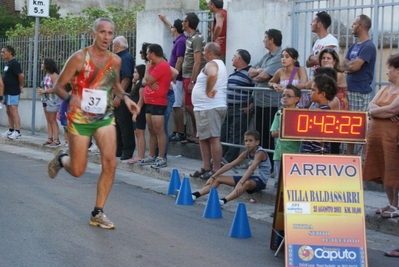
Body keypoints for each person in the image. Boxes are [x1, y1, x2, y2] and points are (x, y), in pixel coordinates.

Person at [47, 18, 140, 229]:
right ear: (94, 34)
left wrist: (126, 98)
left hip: (104, 117)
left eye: (110, 33)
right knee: (79, 170)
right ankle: (62, 158)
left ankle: (98, 212)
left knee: (110, 162)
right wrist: (72, 99)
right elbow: (58, 87)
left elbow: (115, 85)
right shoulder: (79, 58)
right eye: (102, 32)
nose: (106, 37)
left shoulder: (115, 60)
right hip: (80, 119)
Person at [190, 130, 271, 206]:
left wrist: (240, 183)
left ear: (257, 142)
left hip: (260, 180)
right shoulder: (246, 153)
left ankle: (222, 201)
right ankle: (195, 195)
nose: (248, 143)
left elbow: (252, 169)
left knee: (246, 183)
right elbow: (229, 165)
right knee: (218, 178)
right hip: (249, 177)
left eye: (250, 140)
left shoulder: (260, 153)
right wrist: (213, 176)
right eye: (246, 141)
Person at [363, 53, 399, 219]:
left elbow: (393, 110)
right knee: (383, 169)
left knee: (393, 169)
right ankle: (390, 203)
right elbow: (371, 104)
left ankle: (396, 206)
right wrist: (378, 111)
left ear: (397, 71)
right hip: (378, 137)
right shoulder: (385, 89)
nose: (387, 72)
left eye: (390, 68)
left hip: (392, 138)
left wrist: (374, 112)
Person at [190, 42, 227, 179]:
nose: (203, 53)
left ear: (210, 53)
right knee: (204, 138)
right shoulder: (220, 63)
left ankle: (216, 168)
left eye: (204, 51)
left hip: (209, 107)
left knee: (213, 137)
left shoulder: (212, 64)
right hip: (205, 107)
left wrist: (207, 90)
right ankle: (206, 167)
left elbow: (212, 75)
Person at [341, 14, 376, 155]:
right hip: (350, 91)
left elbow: (354, 67)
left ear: (361, 27)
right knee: (349, 128)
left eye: (354, 24)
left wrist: (348, 66)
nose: (352, 26)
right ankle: (348, 157)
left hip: (360, 92)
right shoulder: (354, 46)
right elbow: (343, 63)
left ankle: (362, 161)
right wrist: (349, 65)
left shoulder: (369, 46)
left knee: (360, 129)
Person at [247, 29, 283, 163]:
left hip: (271, 103)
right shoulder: (267, 56)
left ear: (271, 40)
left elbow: (263, 77)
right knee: (261, 134)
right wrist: (259, 71)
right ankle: (263, 162)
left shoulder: (279, 56)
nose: (263, 40)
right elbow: (250, 72)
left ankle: (272, 164)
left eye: (265, 37)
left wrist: (259, 72)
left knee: (269, 136)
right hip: (260, 102)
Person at [139, 43, 172, 169]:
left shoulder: (162, 65)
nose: (146, 56)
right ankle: (151, 155)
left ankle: (161, 157)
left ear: (153, 54)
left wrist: (148, 75)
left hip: (158, 101)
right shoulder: (154, 65)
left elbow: (146, 80)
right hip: (149, 101)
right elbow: (144, 81)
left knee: (159, 130)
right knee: (151, 130)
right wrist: (149, 82)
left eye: (147, 53)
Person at [221, 49, 254, 163]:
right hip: (229, 108)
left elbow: (255, 91)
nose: (232, 58)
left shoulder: (250, 73)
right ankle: (221, 156)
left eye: (234, 56)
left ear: (240, 59)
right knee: (224, 133)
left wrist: (250, 106)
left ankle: (228, 159)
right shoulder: (233, 73)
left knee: (235, 134)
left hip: (240, 108)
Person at [158, 15, 187, 142]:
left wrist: (174, 75)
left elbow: (180, 60)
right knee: (175, 105)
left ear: (176, 29)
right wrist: (165, 19)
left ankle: (180, 132)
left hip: (177, 78)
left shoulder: (181, 41)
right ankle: (177, 131)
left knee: (177, 105)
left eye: (173, 27)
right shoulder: (178, 38)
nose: (171, 29)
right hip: (175, 77)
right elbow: (171, 28)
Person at [270, 85, 301, 188]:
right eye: (283, 95)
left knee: (293, 184)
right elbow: (273, 132)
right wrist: (286, 131)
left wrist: (283, 131)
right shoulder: (279, 113)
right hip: (279, 153)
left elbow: (300, 133)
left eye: (289, 96)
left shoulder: (301, 114)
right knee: (278, 184)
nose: (285, 98)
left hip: (296, 154)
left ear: (297, 99)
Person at [181, 12, 206, 144]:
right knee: (189, 107)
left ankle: (198, 133)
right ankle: (195, 133)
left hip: (191, 77)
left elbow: (198, 61)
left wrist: (192, 80)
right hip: (187, 76)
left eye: (183, 21)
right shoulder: (190, 37)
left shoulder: (196, 38)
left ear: (187, 23)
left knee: (191, 107)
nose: (181, 23)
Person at [301, 73, 337, 154]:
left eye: (313, 90)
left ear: (322, 94)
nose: (310, 93)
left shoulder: (316, 113)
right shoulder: (330, 113)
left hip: (311, 153)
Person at [112, 36, 135, 160]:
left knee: (124, 123)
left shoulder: (124, 58)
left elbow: (126, 78)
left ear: (117, 45)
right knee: (117, 123)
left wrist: (118, 96)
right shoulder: (119, 58)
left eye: (113, 44)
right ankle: (119, 149)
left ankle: (127, 150)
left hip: (123, 96)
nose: (112, 47)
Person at [36, 58, 61, 147]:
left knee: (52, 120)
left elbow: (56, 88)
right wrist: (41, 91)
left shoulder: (54, 75)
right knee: (48, 120)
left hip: (52, 100)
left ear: (47, 65)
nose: (41, 65)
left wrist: (44, 91)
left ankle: (56, 139)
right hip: (45, 100)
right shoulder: (46, 75)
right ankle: (49, 138)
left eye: (43, 63)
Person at [1, 45, 24, 140]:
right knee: (8, 111)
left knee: (13, 110)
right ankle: (11, 129)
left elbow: (21, 75)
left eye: (4, 52)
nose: (2, 54)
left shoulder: (14, 63)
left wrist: (20, 85)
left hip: (13, 91)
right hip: (6, 91)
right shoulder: (8, 64)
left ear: (10, 53)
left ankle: (17, 131)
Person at [128, 64, 146, 164]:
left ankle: (141, 155)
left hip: (140, 111)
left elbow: (141, 100)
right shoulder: (137, 84)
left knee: (140, 133)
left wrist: (136, 113)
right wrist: (133, 83)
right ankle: (138, 154)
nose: (133, 74)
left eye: (135, 72)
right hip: (136, 111)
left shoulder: (142, 85)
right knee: (137, 133)